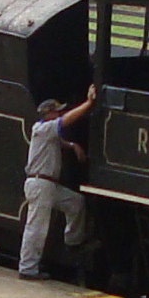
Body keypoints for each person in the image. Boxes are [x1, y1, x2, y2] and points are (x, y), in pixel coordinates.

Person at [18, 85, 96, 280]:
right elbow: (66, 121)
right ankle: (27, 268)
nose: (60, 113)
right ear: (49, 114)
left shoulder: (45, 133)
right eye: (57, 111)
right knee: (36, 227)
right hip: (41, 183)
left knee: (75, 202)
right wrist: (88, 103)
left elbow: (59, 139)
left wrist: (71, 145)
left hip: (48, 185)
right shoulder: (44, 129)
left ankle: (72, 242)